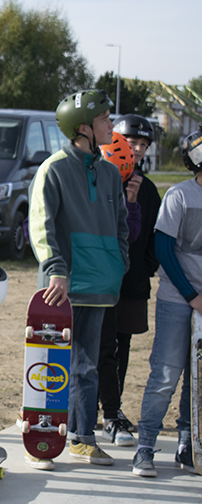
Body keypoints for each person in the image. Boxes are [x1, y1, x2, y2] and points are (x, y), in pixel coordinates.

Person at [27, 90, 129, 470]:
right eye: (105, 120)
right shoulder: (53, 168)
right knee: (51, 365)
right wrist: (55, 268)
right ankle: (43, 439)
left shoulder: (109, 171)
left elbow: (120, 226)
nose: (111, 126)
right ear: (84, 128)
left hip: (101, 284)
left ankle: (82, 438)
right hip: (62, 288)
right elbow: (41, 224)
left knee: (88, 365)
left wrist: (119, 264)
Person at [133, 124, 202, 477]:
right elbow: (164, 250)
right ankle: (145, 446)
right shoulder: (179, 196)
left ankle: (188, 444)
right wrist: (193, 296)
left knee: (198, 378)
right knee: (165, 373)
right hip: (178, 299)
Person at [98, 117, 162, 447]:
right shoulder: (102, 179)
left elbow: (153, 237)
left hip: (132, 283)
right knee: (99, 346)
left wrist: (146, 267)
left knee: (122, 347)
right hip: (102, 281)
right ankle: (98, 408)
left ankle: (114, 407)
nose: (135, 150)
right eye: (130, 142)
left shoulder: (148, 189)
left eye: (142, 145)